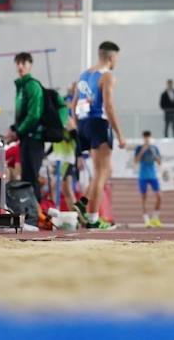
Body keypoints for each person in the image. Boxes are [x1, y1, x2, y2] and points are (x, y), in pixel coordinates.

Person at [74, 41, 124, 229]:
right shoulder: (108, 77)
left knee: (105, 171)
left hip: (84, 123)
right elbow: (109, 107)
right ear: (111, 57)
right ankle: (93, 219)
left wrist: (80, 128)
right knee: (101, 173)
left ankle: (83, 202)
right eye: (117, 58)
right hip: (98, 123)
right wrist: (120, 134)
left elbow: (73, 106)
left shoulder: (84, 75)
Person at [13, 52, 46, 189]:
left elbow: (33, 115)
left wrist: (18, 131)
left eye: (24, 63)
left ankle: (35, 210)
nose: (20, 66)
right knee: (26, 177)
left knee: (32, 178)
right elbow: (22, 114)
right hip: (25, 138)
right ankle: (30, 209)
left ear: (30, 65)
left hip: (34, 139)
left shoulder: (32, 86)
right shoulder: (21, 87)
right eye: (18, 63)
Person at [134, 132, 163, 227]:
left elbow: (159, 162)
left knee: (159, 196)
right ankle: (146, 220)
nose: (147, 139)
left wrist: (154, 154)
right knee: (144, 198)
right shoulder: (139, 148)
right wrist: (142, 150)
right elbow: (136, 161)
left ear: (150, 138)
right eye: (145, 137)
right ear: (143, 138)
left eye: (148, 137)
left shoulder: (155, 148)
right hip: (143, 176)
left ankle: (155, 218)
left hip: (153, 175)